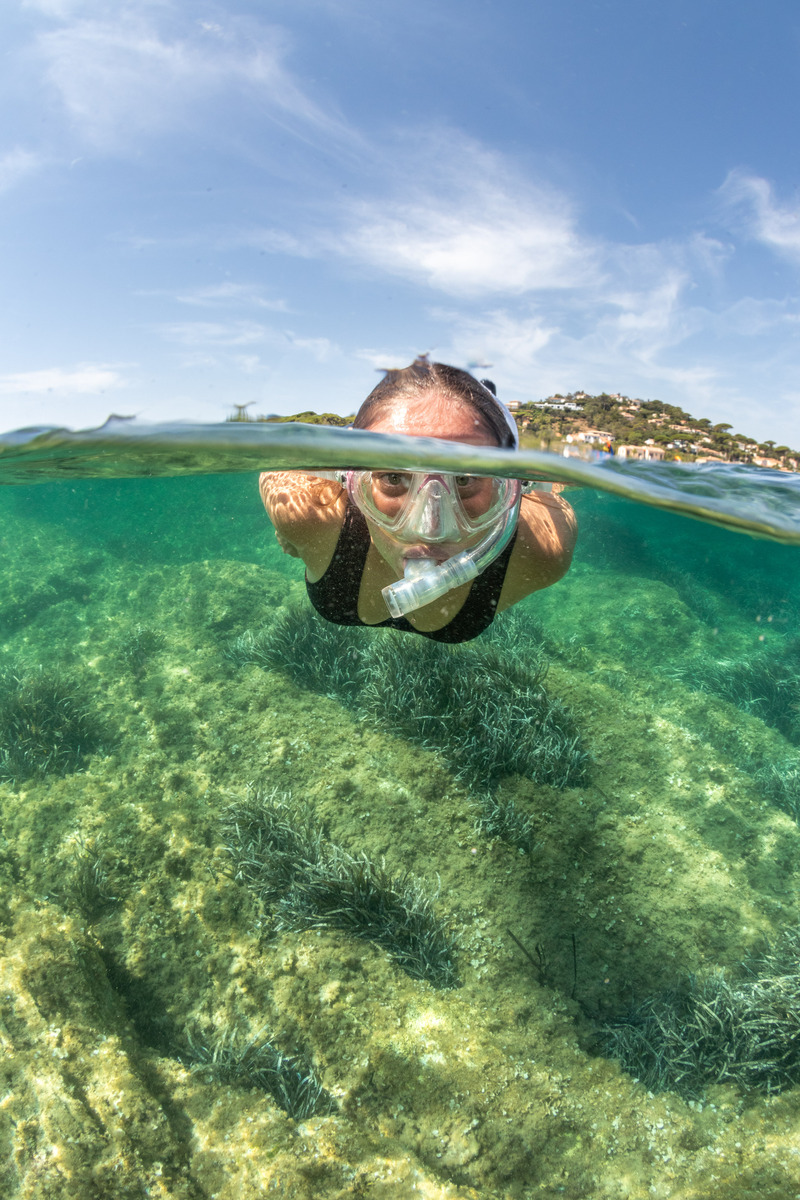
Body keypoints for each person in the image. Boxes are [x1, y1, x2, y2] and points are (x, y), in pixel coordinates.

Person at [259, 357, 577, 644]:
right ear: (352, 479)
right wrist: (290, 530)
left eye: (465, 479)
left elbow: (553, 499)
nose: (430, 530)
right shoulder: (312, 512)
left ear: (511, 487)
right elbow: (274, 469)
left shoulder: (543, 550)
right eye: (393, 477)